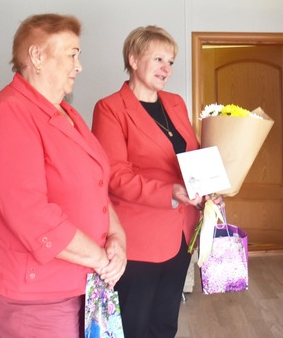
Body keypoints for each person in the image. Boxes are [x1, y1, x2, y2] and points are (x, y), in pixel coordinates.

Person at [0, 13, 127, 338]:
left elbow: (96, 186)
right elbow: (31, 215)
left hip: (80, 278)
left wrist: (117, 239)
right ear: (37, 56)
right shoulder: (9, 115)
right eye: (72, 54)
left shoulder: (66, 112)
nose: (79, 66)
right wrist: (100, 259)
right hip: (35, 293)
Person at [92, 25, 221, 338]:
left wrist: (209, 189)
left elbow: (191, 157)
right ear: (134, 59)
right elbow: (115, 177)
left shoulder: (175, 103)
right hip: (139, 238)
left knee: (165, 323)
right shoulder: (110, 108)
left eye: (171, 61)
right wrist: (171, 192)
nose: (167, 69)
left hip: (183, 232)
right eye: (159, 59)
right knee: (134, 325)